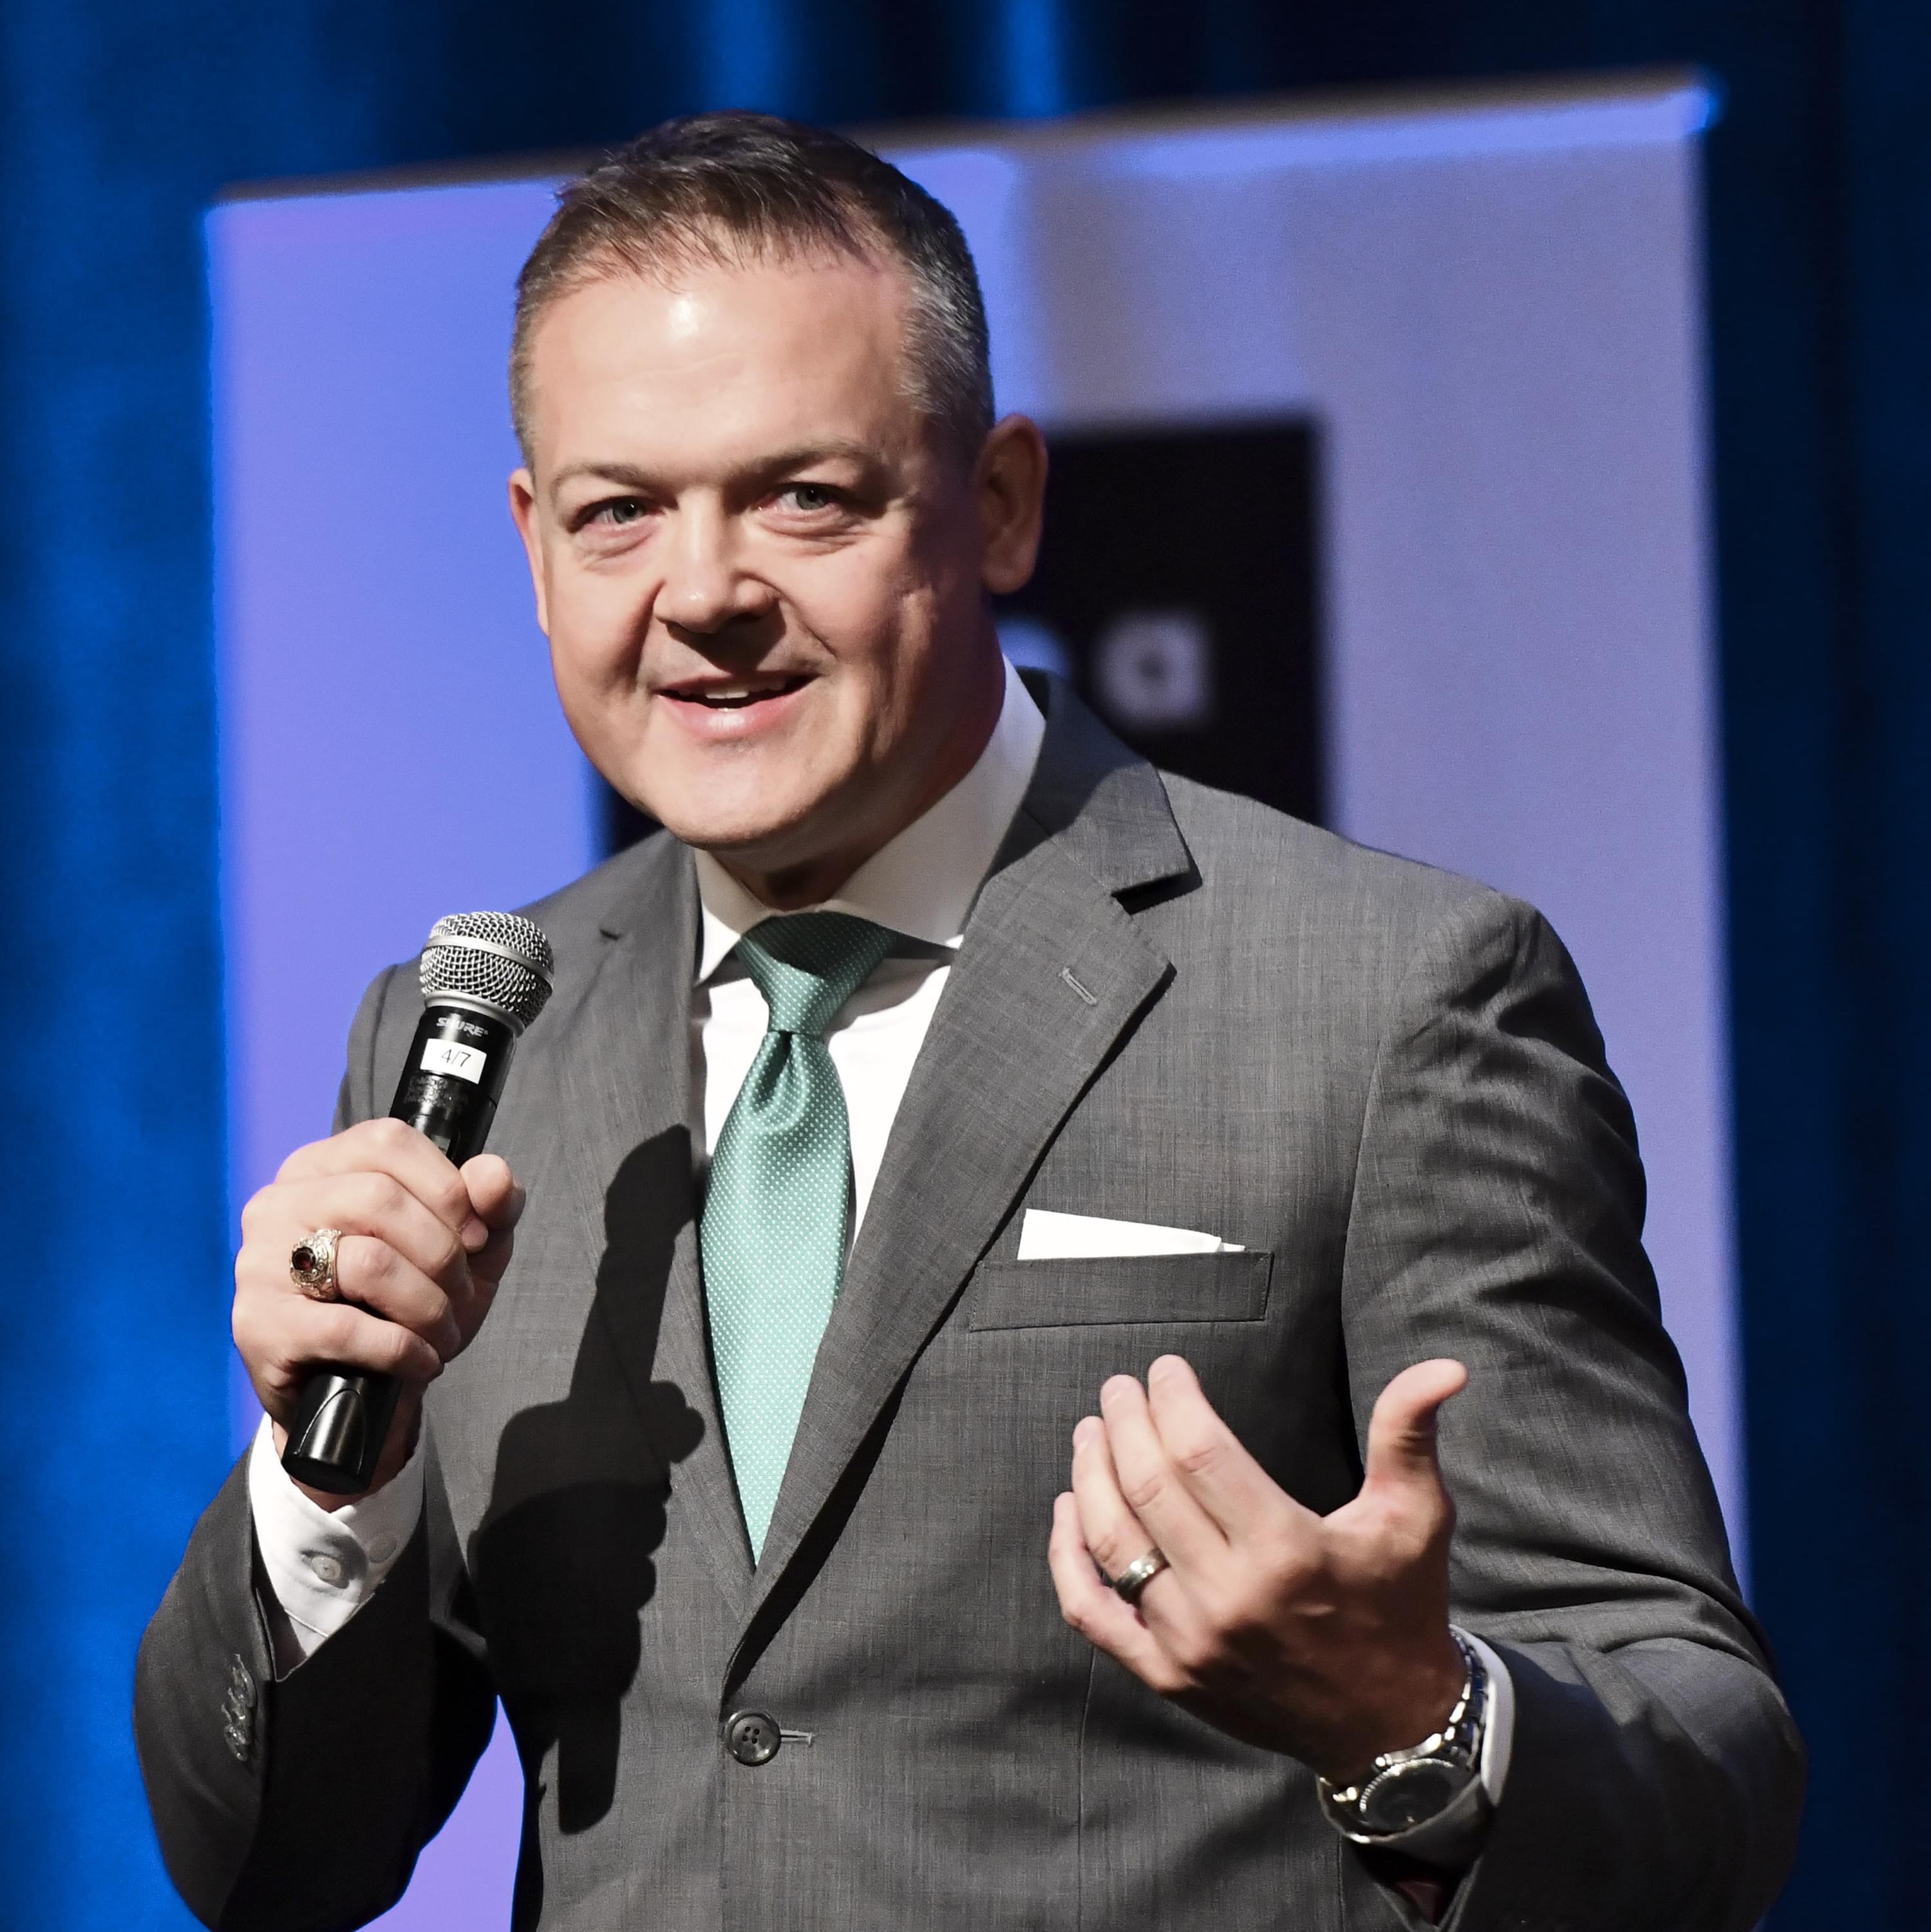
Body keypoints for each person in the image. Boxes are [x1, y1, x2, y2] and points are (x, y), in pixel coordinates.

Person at [136, 111, 1802, 1931]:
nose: (704, 593)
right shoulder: (468, 1043)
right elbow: (273, 1867)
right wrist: (335, 1483)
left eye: (805, 497)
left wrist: (1415, 1721)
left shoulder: (1389, 998)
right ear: (537, 548)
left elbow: (1706, 1773)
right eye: (622, 513)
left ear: (998, 500)